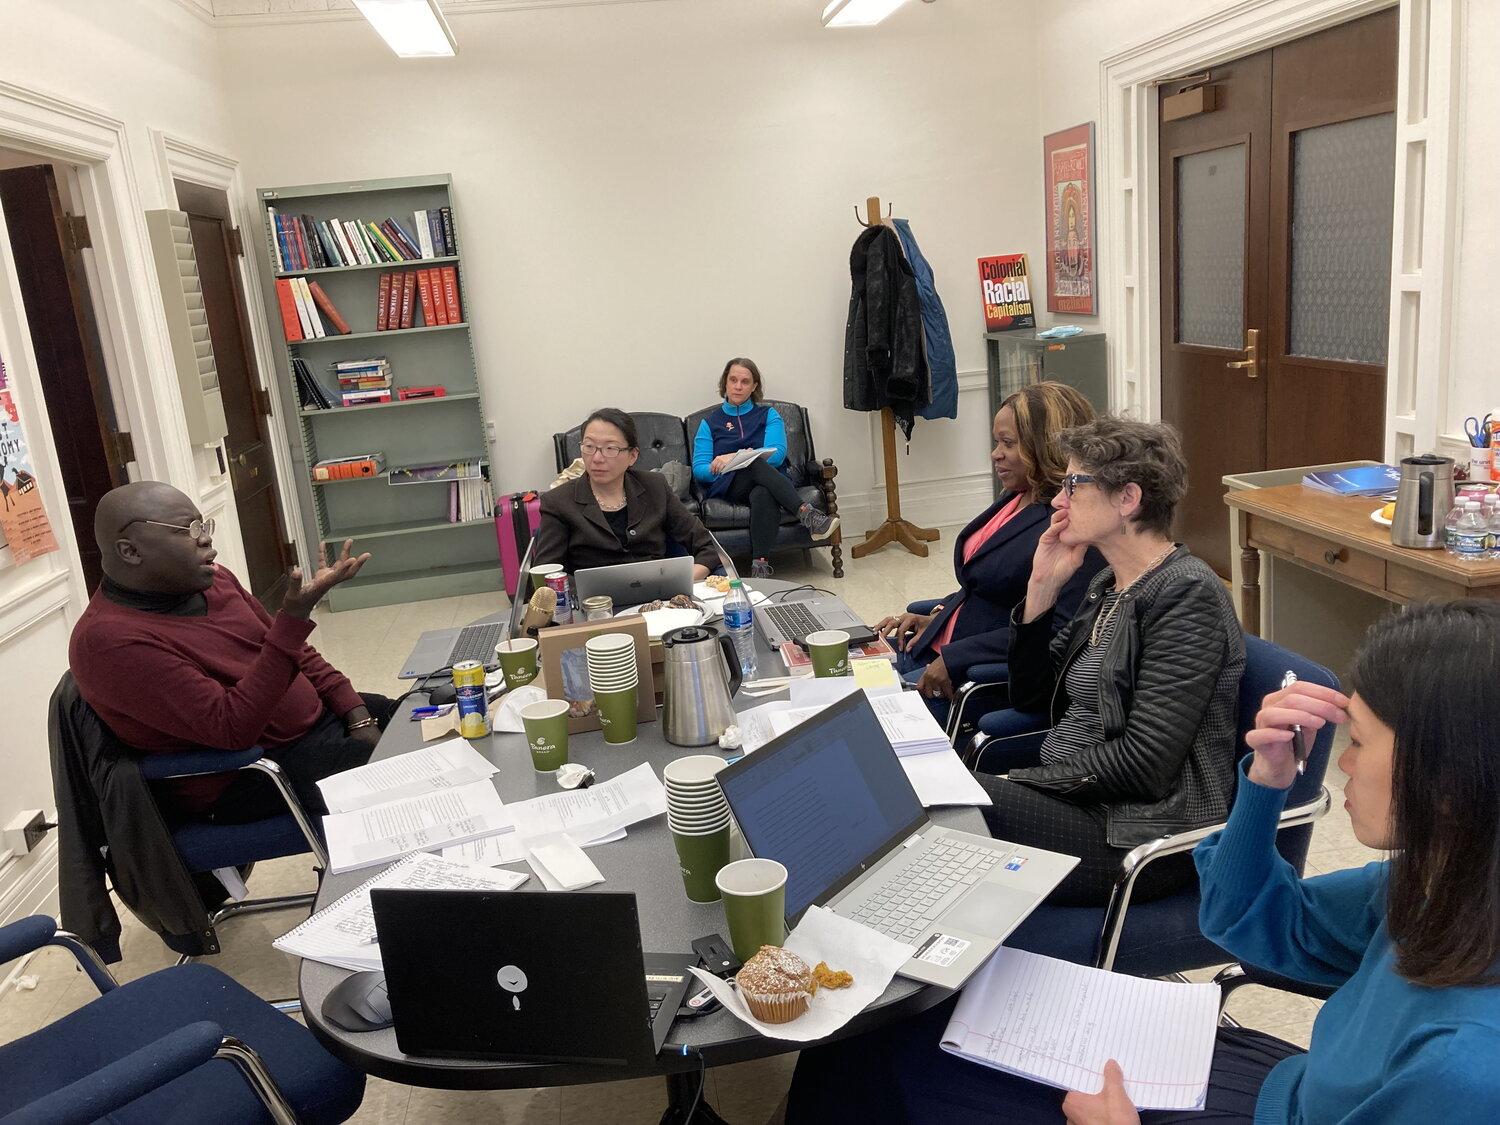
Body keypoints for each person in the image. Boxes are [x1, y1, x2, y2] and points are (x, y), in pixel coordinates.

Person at [786, 600, 1500, 1125]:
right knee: (887, 1029)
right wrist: (1264, 783)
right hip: (1287, 1088)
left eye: (1362, 743)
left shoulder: (1467, 1068)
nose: (1341, 765)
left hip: (1277, 1103)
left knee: (900, 1064)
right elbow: (1248, 916)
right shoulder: (1433, 883)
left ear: (1446, 783)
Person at [980, 417, 1243, 906]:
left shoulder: (1186, 595)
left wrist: (1022, 782)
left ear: (1128, 499)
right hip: (1082, 803)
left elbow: (1145, 766)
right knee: (937, 805)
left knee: (943, 803)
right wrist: (1041, 590)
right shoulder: (1110, 586)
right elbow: (1034, 695)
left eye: (1072, 486)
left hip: (1140, 838)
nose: (1058, 501)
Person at [68, 481, 396, 823]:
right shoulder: (110, 642)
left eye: (203, 525)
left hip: (315, 722)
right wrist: (294, 618)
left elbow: (298, 653)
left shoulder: (215, 579)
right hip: (252, 772)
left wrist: (358, 714)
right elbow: (234, 729)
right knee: (416, 773)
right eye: (187, 530)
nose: (205, 539)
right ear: (130, 551)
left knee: (429, 719)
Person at [872, 381, 1103, 721]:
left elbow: (1055, 631)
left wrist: (955, 656)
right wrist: (937, 616)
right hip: (937, 644)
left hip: (973, 674)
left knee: (869, 716)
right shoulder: (1017, 495)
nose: (996, 453)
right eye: (997, 442)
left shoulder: (1068, 526)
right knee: (841, 679)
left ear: (1045, 446)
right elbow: (987, 585)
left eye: (1008, 443)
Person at [691, 358, 838, 578]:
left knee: (762, 491)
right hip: (731, 485)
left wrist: (735, 456)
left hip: (770, 481)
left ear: (754, 386)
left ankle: (760, 566)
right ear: (725, 383)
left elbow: (777, 455)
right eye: (733, 380)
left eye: (745, 381)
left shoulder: (768, 415)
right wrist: (729, 463)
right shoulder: (710, 423)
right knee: (754, 462)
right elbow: (700, 469)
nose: (738, 386)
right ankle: (807, 514)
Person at [538, 407, 718, 580]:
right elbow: (546, 575)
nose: (597, 458)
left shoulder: (655, 487)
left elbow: (708, 547)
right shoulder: (558, 502)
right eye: (589, 446)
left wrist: (681, 580)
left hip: (658, 601)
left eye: (610, 449)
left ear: (632, 456)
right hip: (594, 606)